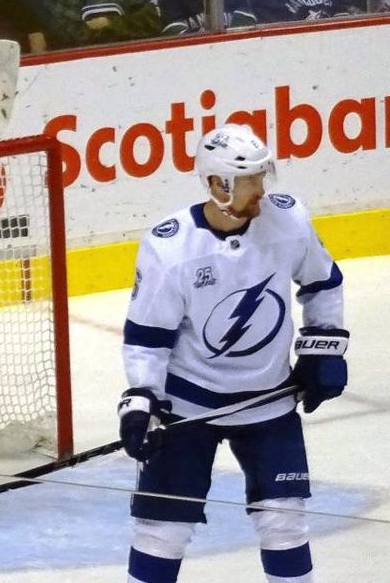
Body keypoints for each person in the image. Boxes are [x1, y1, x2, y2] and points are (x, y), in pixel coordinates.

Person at [118, 124, 347, 582]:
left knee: (284, 523)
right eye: (250, 181)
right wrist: (142, 400)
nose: (261, 191)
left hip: (268, 400)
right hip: (188, 405)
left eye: (263, 179)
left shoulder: (288, 220)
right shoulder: (171, 247)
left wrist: (323, 349)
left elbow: (324, 284)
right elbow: (147, 336)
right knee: (162, 530)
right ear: (217, 184)